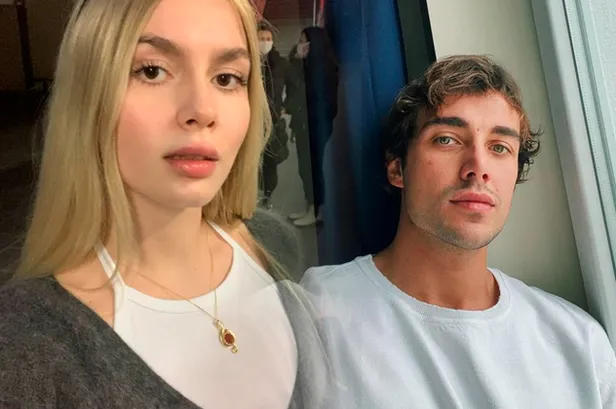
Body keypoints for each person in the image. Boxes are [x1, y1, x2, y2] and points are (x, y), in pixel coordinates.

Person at [0, 0, 332, 408]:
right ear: (88, 94)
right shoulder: (24, 346)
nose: (202, 111)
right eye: (152, 71)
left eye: (227, 78)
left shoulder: (271, 242)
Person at [301, 55, 616, 408]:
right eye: (447, 140)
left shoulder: (580, 347)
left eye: (499, 147)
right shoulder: (314, 312)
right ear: (397, 169)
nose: (478, 168)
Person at [284, 26, 338, 227]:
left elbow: (307, 95)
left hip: (315, 125)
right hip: (306, 124)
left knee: (313, 168)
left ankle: (316, 210)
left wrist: (297, 63)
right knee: (306, 167)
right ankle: (310, 207)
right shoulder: (308, 66)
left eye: (303, 40)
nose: (300, 44)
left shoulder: (321, 70)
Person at [258, 23, 289, 209]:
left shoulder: (280, 64)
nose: (265, 42)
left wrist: (287, 107)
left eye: (268, 39)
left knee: (270, 161)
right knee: (250, 161)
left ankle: (267, 195)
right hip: (250, 120)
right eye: (261, 39)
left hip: (273, 121)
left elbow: (295, 86)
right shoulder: (247, 62)